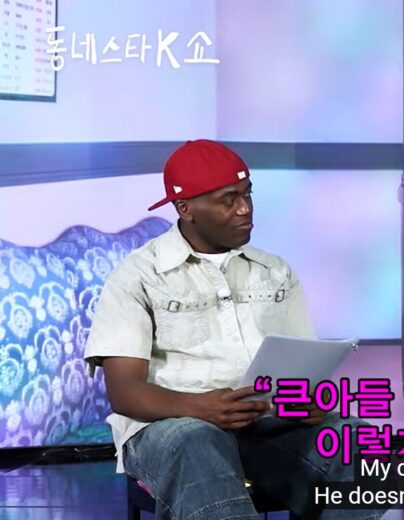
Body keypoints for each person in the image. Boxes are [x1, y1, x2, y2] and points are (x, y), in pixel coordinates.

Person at [84, 140, 380, 519]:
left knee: (356, 443)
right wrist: (200, 407)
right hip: (172, 428)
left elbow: (303, 369)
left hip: (266, 424)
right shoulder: (138, 276)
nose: (245, 209)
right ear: (186, 208)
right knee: (197, 443)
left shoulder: (276, 272)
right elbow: (124, 393)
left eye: (247, 194)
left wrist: (306, 401)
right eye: (228, 199)